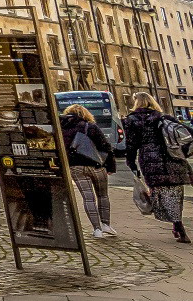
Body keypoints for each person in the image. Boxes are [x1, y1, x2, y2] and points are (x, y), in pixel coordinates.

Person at [122, 92, 190, 244]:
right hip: (172, 158)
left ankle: (177, 225)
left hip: (150, 159)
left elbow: (131, 144)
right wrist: (182, 153)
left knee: (159, 192)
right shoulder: (163, 117)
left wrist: (131, 162)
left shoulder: (132, 120)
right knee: (175, 194)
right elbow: (187, 135)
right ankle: (178, 224)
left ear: (136, 103)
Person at [61, 103, 118, 238]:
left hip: (75, 166)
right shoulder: (90, 127)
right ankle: (106, 224)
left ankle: (96, 229)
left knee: (88, 198)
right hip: (96, 165)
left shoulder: (62, 129)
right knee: (102, 195)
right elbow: (105, 146)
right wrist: (110, 166)